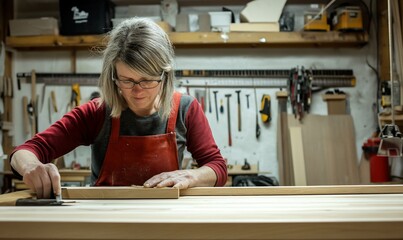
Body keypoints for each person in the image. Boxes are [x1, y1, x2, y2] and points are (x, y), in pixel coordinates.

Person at [10, 17, 227, 199]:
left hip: (165, 215)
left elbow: (217, 167)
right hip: (106, 217)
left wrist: (191, 176)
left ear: (165, 75)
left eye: (147, 80)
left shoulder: (186, 109)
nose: (137, 90)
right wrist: (30, 167)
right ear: (112, 76)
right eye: (127, 80)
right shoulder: (97, 113)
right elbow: (24, 152)